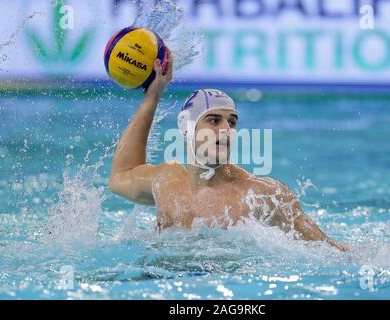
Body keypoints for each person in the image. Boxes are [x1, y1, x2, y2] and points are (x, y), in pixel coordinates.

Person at [108, 48, 347, 252]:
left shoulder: (262, 195)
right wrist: (152, 98)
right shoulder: (165, 181)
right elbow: (119, 176)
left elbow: (329, 252)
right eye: (213, 120)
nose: (225, 129)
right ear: (187, 128)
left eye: (231, 122)